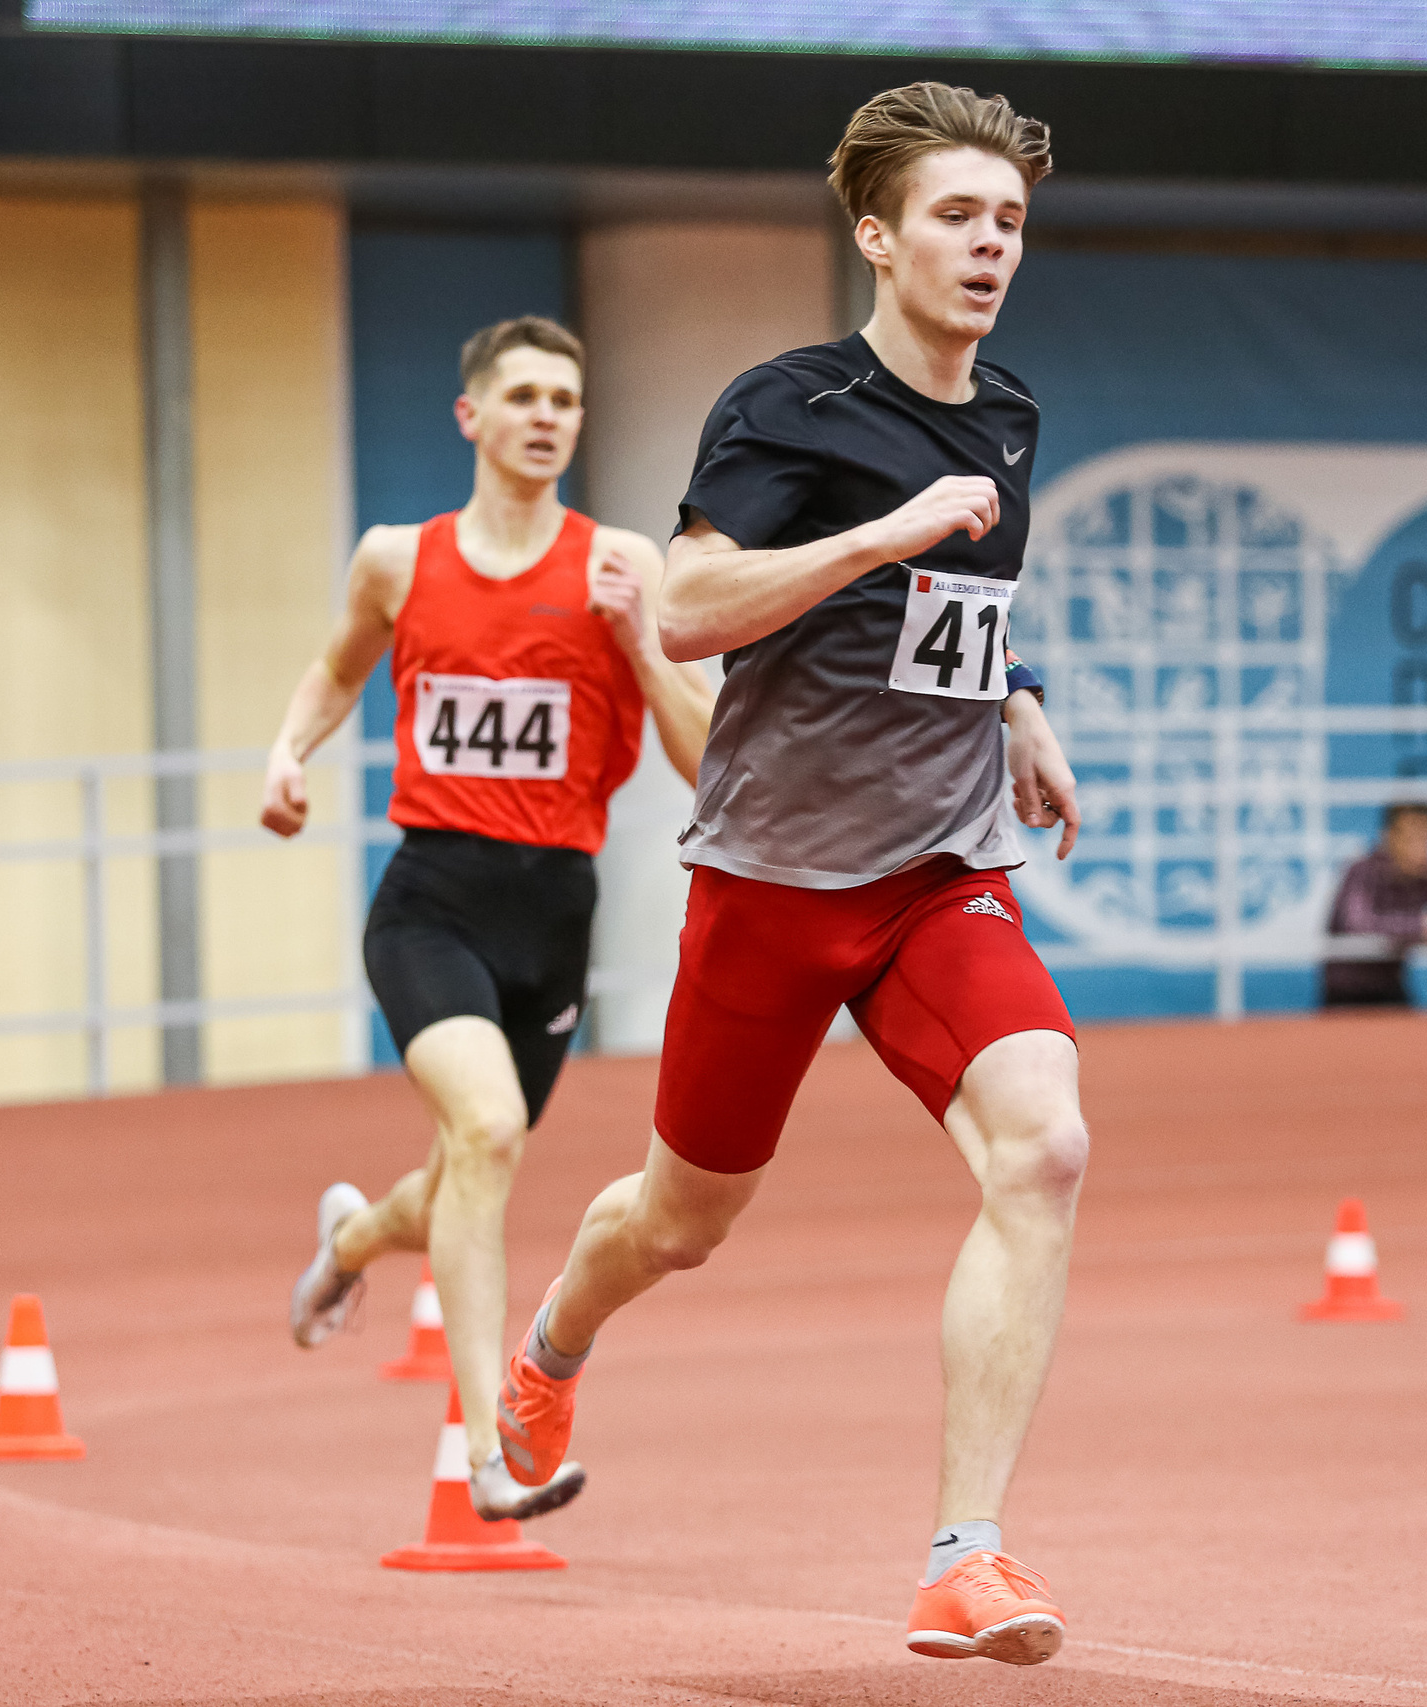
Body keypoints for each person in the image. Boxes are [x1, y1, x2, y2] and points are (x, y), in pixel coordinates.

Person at [489, 84, 1090, 1667]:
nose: (990, 245)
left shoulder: (1012, 414)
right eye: (959, 216)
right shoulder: (789, 408)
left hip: (941, 869)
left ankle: (966, 1555)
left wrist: (1023, 709)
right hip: (773, 881)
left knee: (1045, 1146)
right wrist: (875, 535)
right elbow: (688, 607)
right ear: (877, 237)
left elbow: (975, 607)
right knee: (685, 1217)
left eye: (1011, 221)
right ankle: (554, 1338)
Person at [260, 315, 715, 1524]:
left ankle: (355, 1237)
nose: (545, 415)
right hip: (430, 903)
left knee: (472, 1160)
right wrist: (287, 752)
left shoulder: (623, 564)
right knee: (493, 1127)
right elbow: (337, 668)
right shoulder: (397, 560)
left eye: (564, 398)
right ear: (471, 416)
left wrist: (632, 635)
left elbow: (702, 754)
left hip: (553, 914)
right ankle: (486, 1456)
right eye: (520, 395)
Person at [1320, 802, 1427, 1007]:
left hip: (1391, 989)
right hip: (1347, 994)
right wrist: (1426, 927)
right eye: (1410, 838)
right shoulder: (1362, 871)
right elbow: (1358, 924)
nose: (1419, 848)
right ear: (1388, 837)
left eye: (1426, 838)